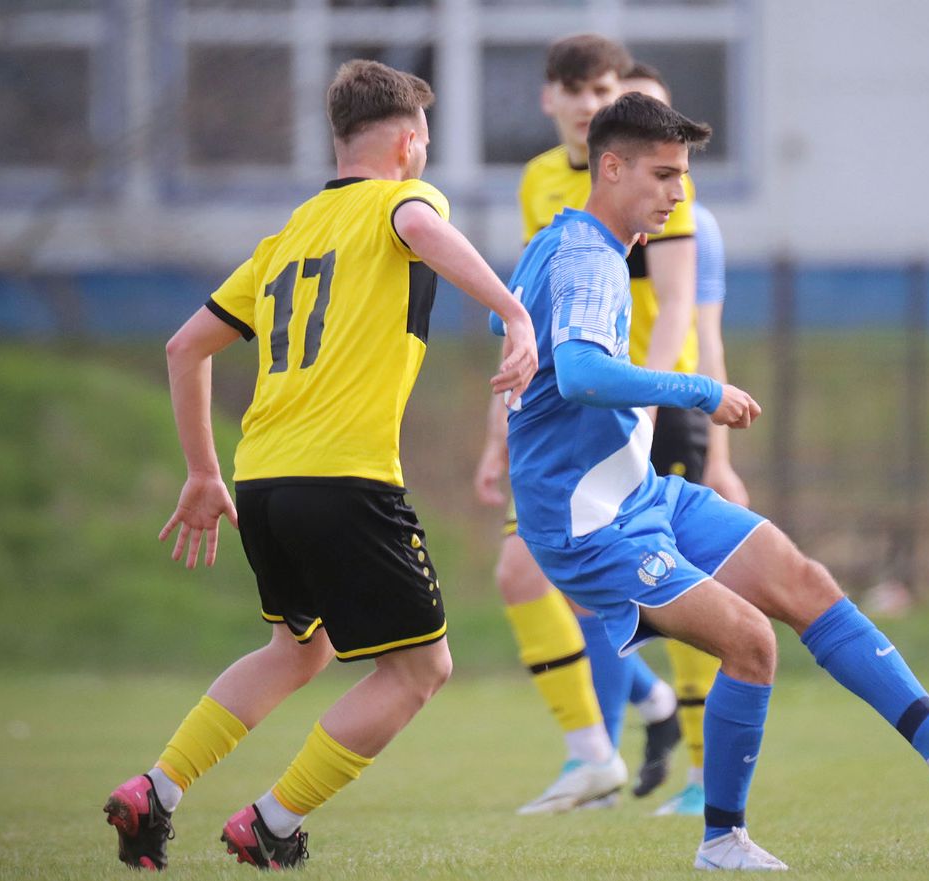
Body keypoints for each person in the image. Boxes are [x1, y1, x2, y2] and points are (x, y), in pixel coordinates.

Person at [494, 91, 929, 871]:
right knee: (751, 641)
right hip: (589, 522)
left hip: (635, 493)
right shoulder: (589, 258)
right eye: (663, 174)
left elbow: (509, 321)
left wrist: (525, 352)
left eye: (683, 175)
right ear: (610, 167)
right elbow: (581, 372)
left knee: (802, 581)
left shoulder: (564, 240)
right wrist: (700, 390)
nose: (678, 192)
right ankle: (722, 840)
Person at [102, 59, 537, 871]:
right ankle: (270, 821)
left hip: (263, 478)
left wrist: (202, 471)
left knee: (299, 648)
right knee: (421, 669)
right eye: (426, 144)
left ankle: (155, 788)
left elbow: (185, 346)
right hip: (345, 477)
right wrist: (514, 312)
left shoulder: (288, 235)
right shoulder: (404, 200)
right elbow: (420, 229)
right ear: (407, 145)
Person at [473, 33, 691, 813]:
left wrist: (657, 401)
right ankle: (621, 733)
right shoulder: (541, 182)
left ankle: (668, 763)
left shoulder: (655, 175)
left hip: (633, 403)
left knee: (651, 580)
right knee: (542, 579)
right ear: (551, 99)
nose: (588, 104)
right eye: (576, 91)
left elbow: (678, 300)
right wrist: (497, 427)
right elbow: (522, 316)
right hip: (559, 409)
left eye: (602, 90)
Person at [620, 61, 751, 818]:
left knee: (681, 583)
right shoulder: (580, 203)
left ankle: (703, 774)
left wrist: (721, 459)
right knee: (593, 584)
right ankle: (654, 709)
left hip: (668, 412)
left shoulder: (693, 222)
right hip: (609, 409)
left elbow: (705, 334)